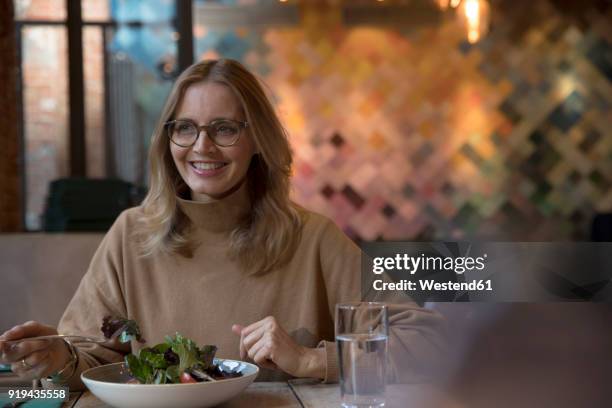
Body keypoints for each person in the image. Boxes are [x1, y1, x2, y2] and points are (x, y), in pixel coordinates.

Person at [0, 59, 446, 390]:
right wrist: (56, 357)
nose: (202, 147)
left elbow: (433, 344)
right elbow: (92, 360)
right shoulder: (130, 234)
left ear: (258, 141)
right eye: (186, 128)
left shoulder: (313, 239)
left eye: (225, 129)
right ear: (168, 139)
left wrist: (310, 360)